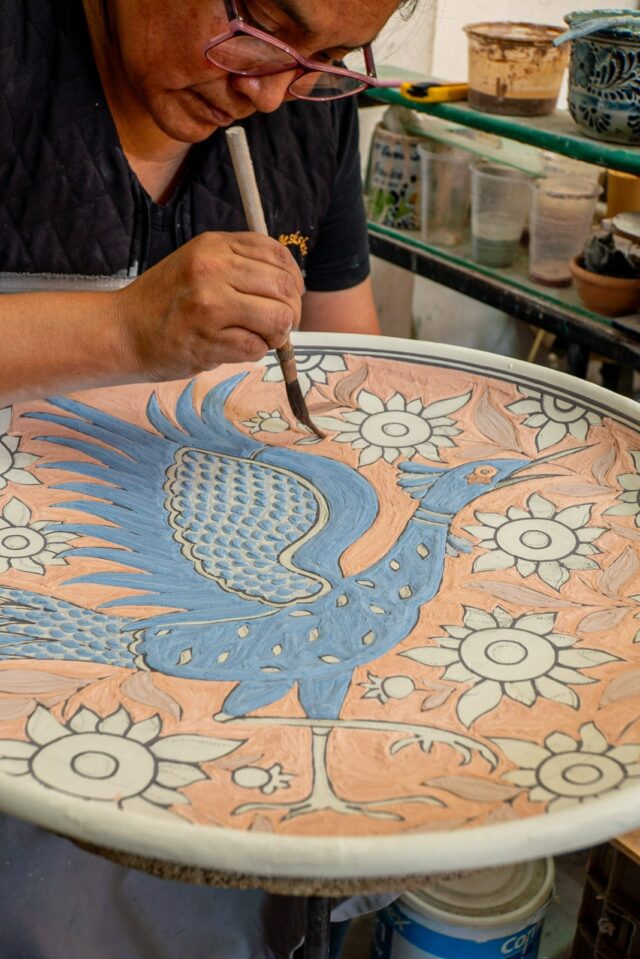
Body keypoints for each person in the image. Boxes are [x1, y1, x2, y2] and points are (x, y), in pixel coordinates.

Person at [0, 0, 414, 955]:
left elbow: (348, 374)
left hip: (217, 678)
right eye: (263, 23)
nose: (270, 91)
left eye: (328, 57)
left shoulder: (301, 107)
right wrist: (119, 329)